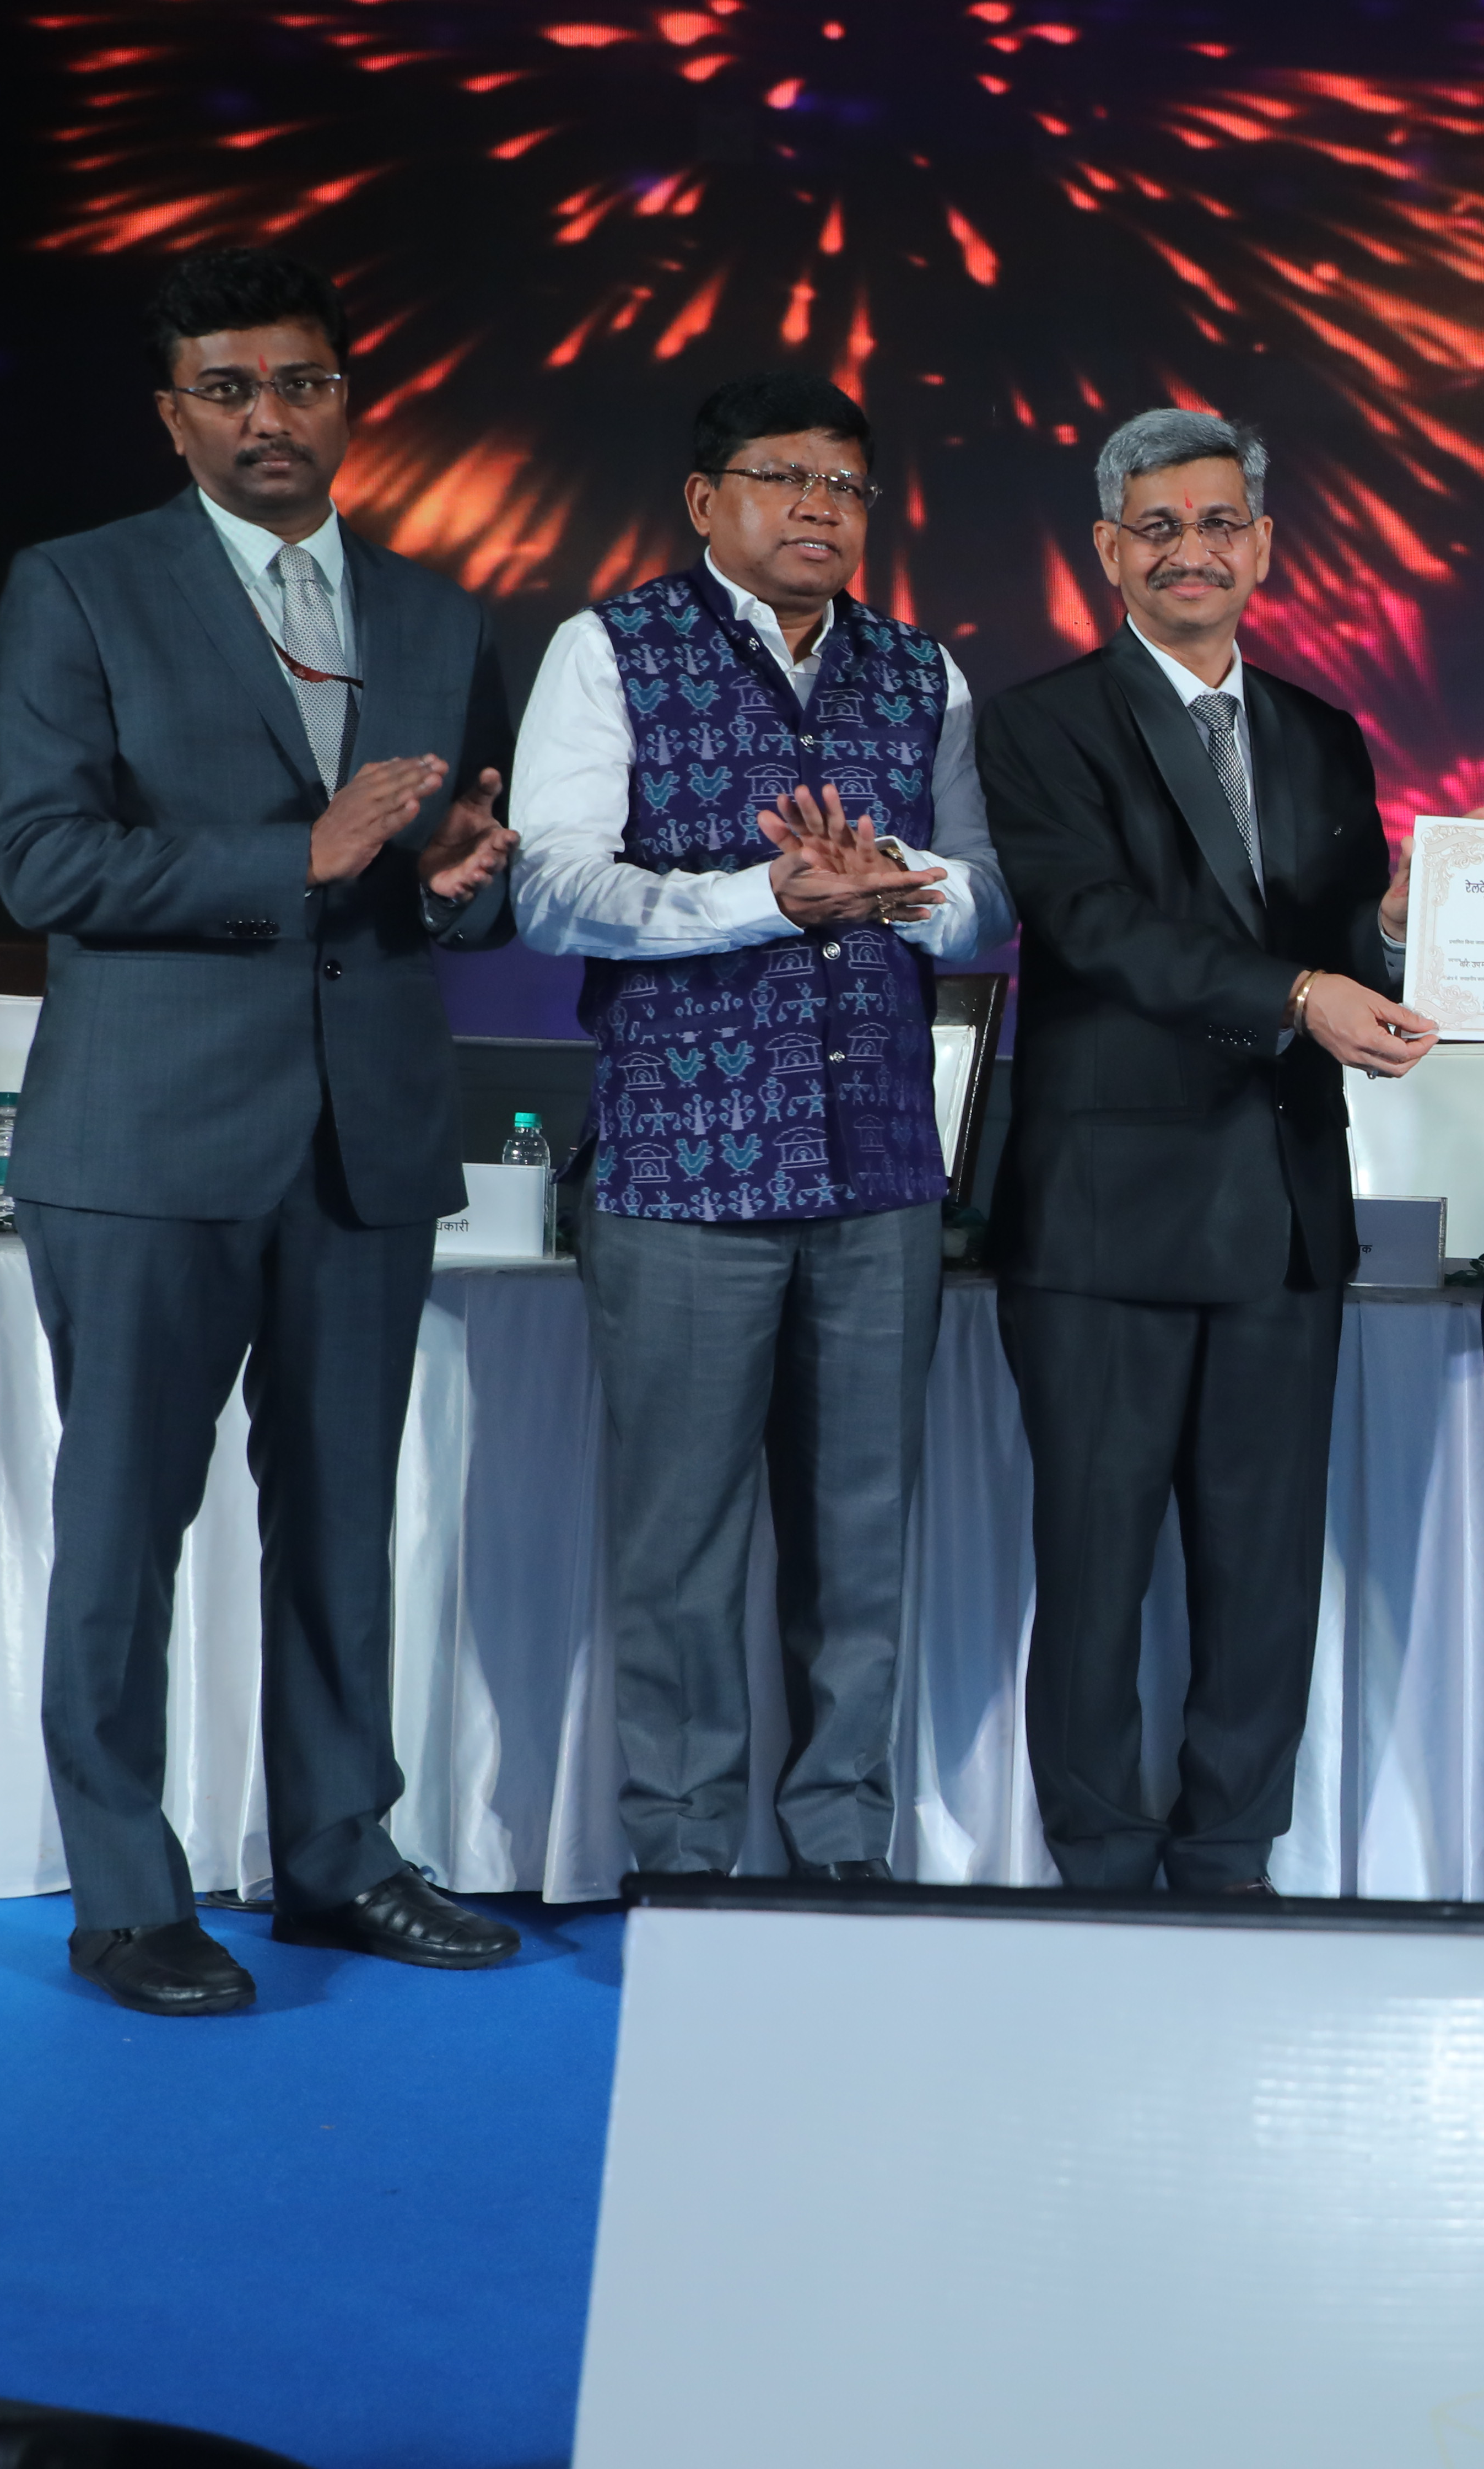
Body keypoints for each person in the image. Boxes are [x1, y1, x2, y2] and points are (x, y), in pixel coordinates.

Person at [0, 246, 525, 2013]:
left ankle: (340, 1856)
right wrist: (296, 855)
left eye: (299, 382)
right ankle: (126, 1897)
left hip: (364, 1134)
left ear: (346, 401)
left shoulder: (439, 614)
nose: (268, 416)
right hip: (146, 1136)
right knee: (125, 1526)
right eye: (227, 389)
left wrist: (446, 882)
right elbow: (41, 861)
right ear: (173, 417)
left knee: (344, 1516)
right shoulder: (78, 586)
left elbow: (436, 883)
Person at [508, 372, 1005, 1888]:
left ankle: (843, 1844)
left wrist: (904, 883)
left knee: (863, 1534)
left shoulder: (922, 672)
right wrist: (764, 898)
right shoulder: (610, 649)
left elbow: (986, 896)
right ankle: (683, 1855)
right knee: (680, 1543)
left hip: (880, 1166)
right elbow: (552, 890)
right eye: (785, 478)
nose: (819, 509)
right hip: (684, 1165)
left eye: (845, 486)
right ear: (704, 500)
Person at [978, 408, 1433, 1895]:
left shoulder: (1323, 731)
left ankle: (1233, 1854)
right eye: (1159, 528)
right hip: (1106, 1217)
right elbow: (1099, 928)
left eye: (1220, 523)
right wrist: (1303, 992)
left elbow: (1342, 935)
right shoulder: (1039, 726)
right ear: (1109, 553)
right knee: (1095, 1566)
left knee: (1265, 1567)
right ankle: (1101, 1863)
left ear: (1265, 545)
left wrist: (1398, 931)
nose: (1193, 551)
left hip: (1285, 1209)